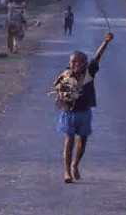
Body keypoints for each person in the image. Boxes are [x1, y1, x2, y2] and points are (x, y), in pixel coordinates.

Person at [52, 31, 114, 183]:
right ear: (69, 62)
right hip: (69, 113)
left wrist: (105, 42)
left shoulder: (89, 73)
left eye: (79, 62)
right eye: (73, 62)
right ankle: (66, 171)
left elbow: (97, 57)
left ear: (85, 64)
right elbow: (56, 86)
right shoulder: (66, 75)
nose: (76, 65)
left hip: (85, 113)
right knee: (69, 142)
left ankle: (75, 164)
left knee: (82, 143)